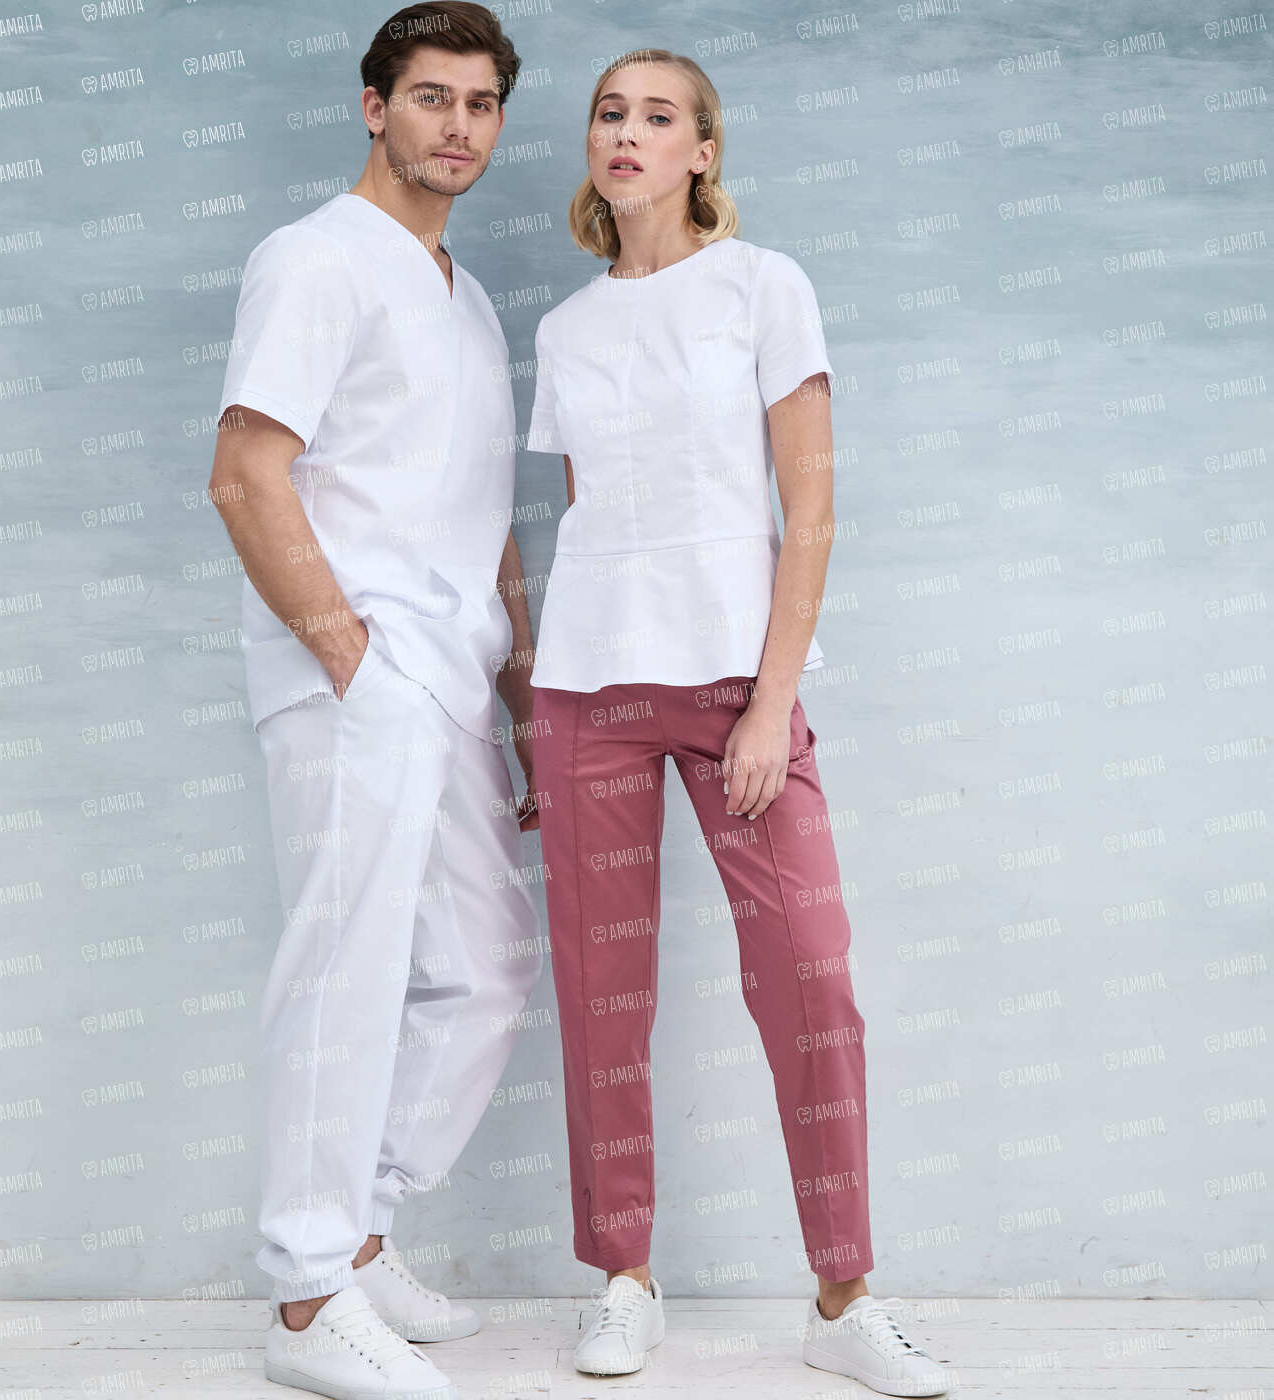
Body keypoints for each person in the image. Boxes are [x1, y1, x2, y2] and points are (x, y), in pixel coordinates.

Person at [522, 48, 952, 1397]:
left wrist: (771, 703)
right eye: (610, 114)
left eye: (660, 117)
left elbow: (808, 508)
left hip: (734, 692)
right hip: (587, 690)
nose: (628, 134)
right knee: (602, 994)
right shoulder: (566, 330)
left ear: (703, 150)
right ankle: (623, 1279)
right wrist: (528, 693)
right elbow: (594, 512)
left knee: (812, 978)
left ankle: (844, 1295)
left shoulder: (766, 287)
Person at [208, 7, 542, 1398]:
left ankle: (358, 1230)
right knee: (343, 964)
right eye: (430, 97)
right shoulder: (315, 259)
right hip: (357, 674)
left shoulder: (469, 299)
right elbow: (245, 472)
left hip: (454, 676)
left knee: (488, 968)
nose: (457, 125)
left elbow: (483, 514)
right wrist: (348, 654)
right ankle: (304, 1301)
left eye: (480, 103)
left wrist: (521, 695)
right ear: (373, 108)